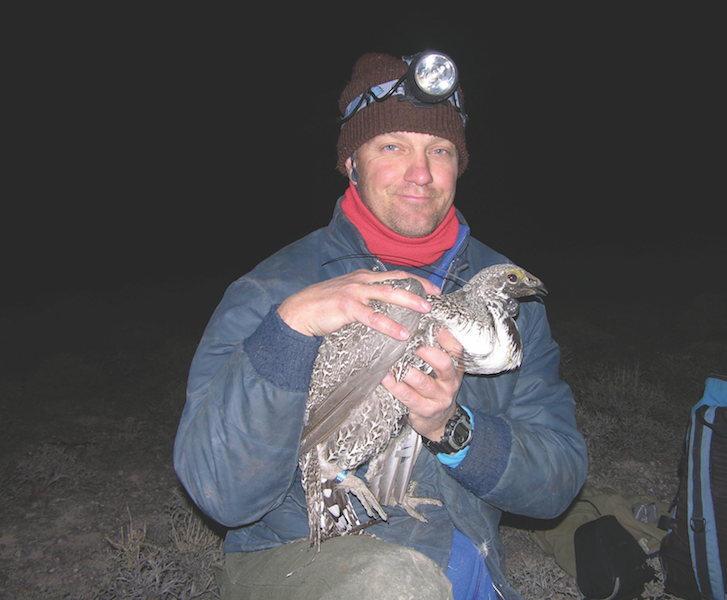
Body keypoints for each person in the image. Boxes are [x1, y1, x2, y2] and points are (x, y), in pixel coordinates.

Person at [174, 51, 587, 600]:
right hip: (301, 558)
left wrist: (452, 428)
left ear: (458, 167)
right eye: (392, 146)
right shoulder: (275, 289)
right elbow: (219, 490)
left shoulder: (504, 299)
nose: (421, 173)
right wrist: (291, 328)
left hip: (462, 562)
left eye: (439, 150)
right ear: (352, 162)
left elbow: (558, 478)